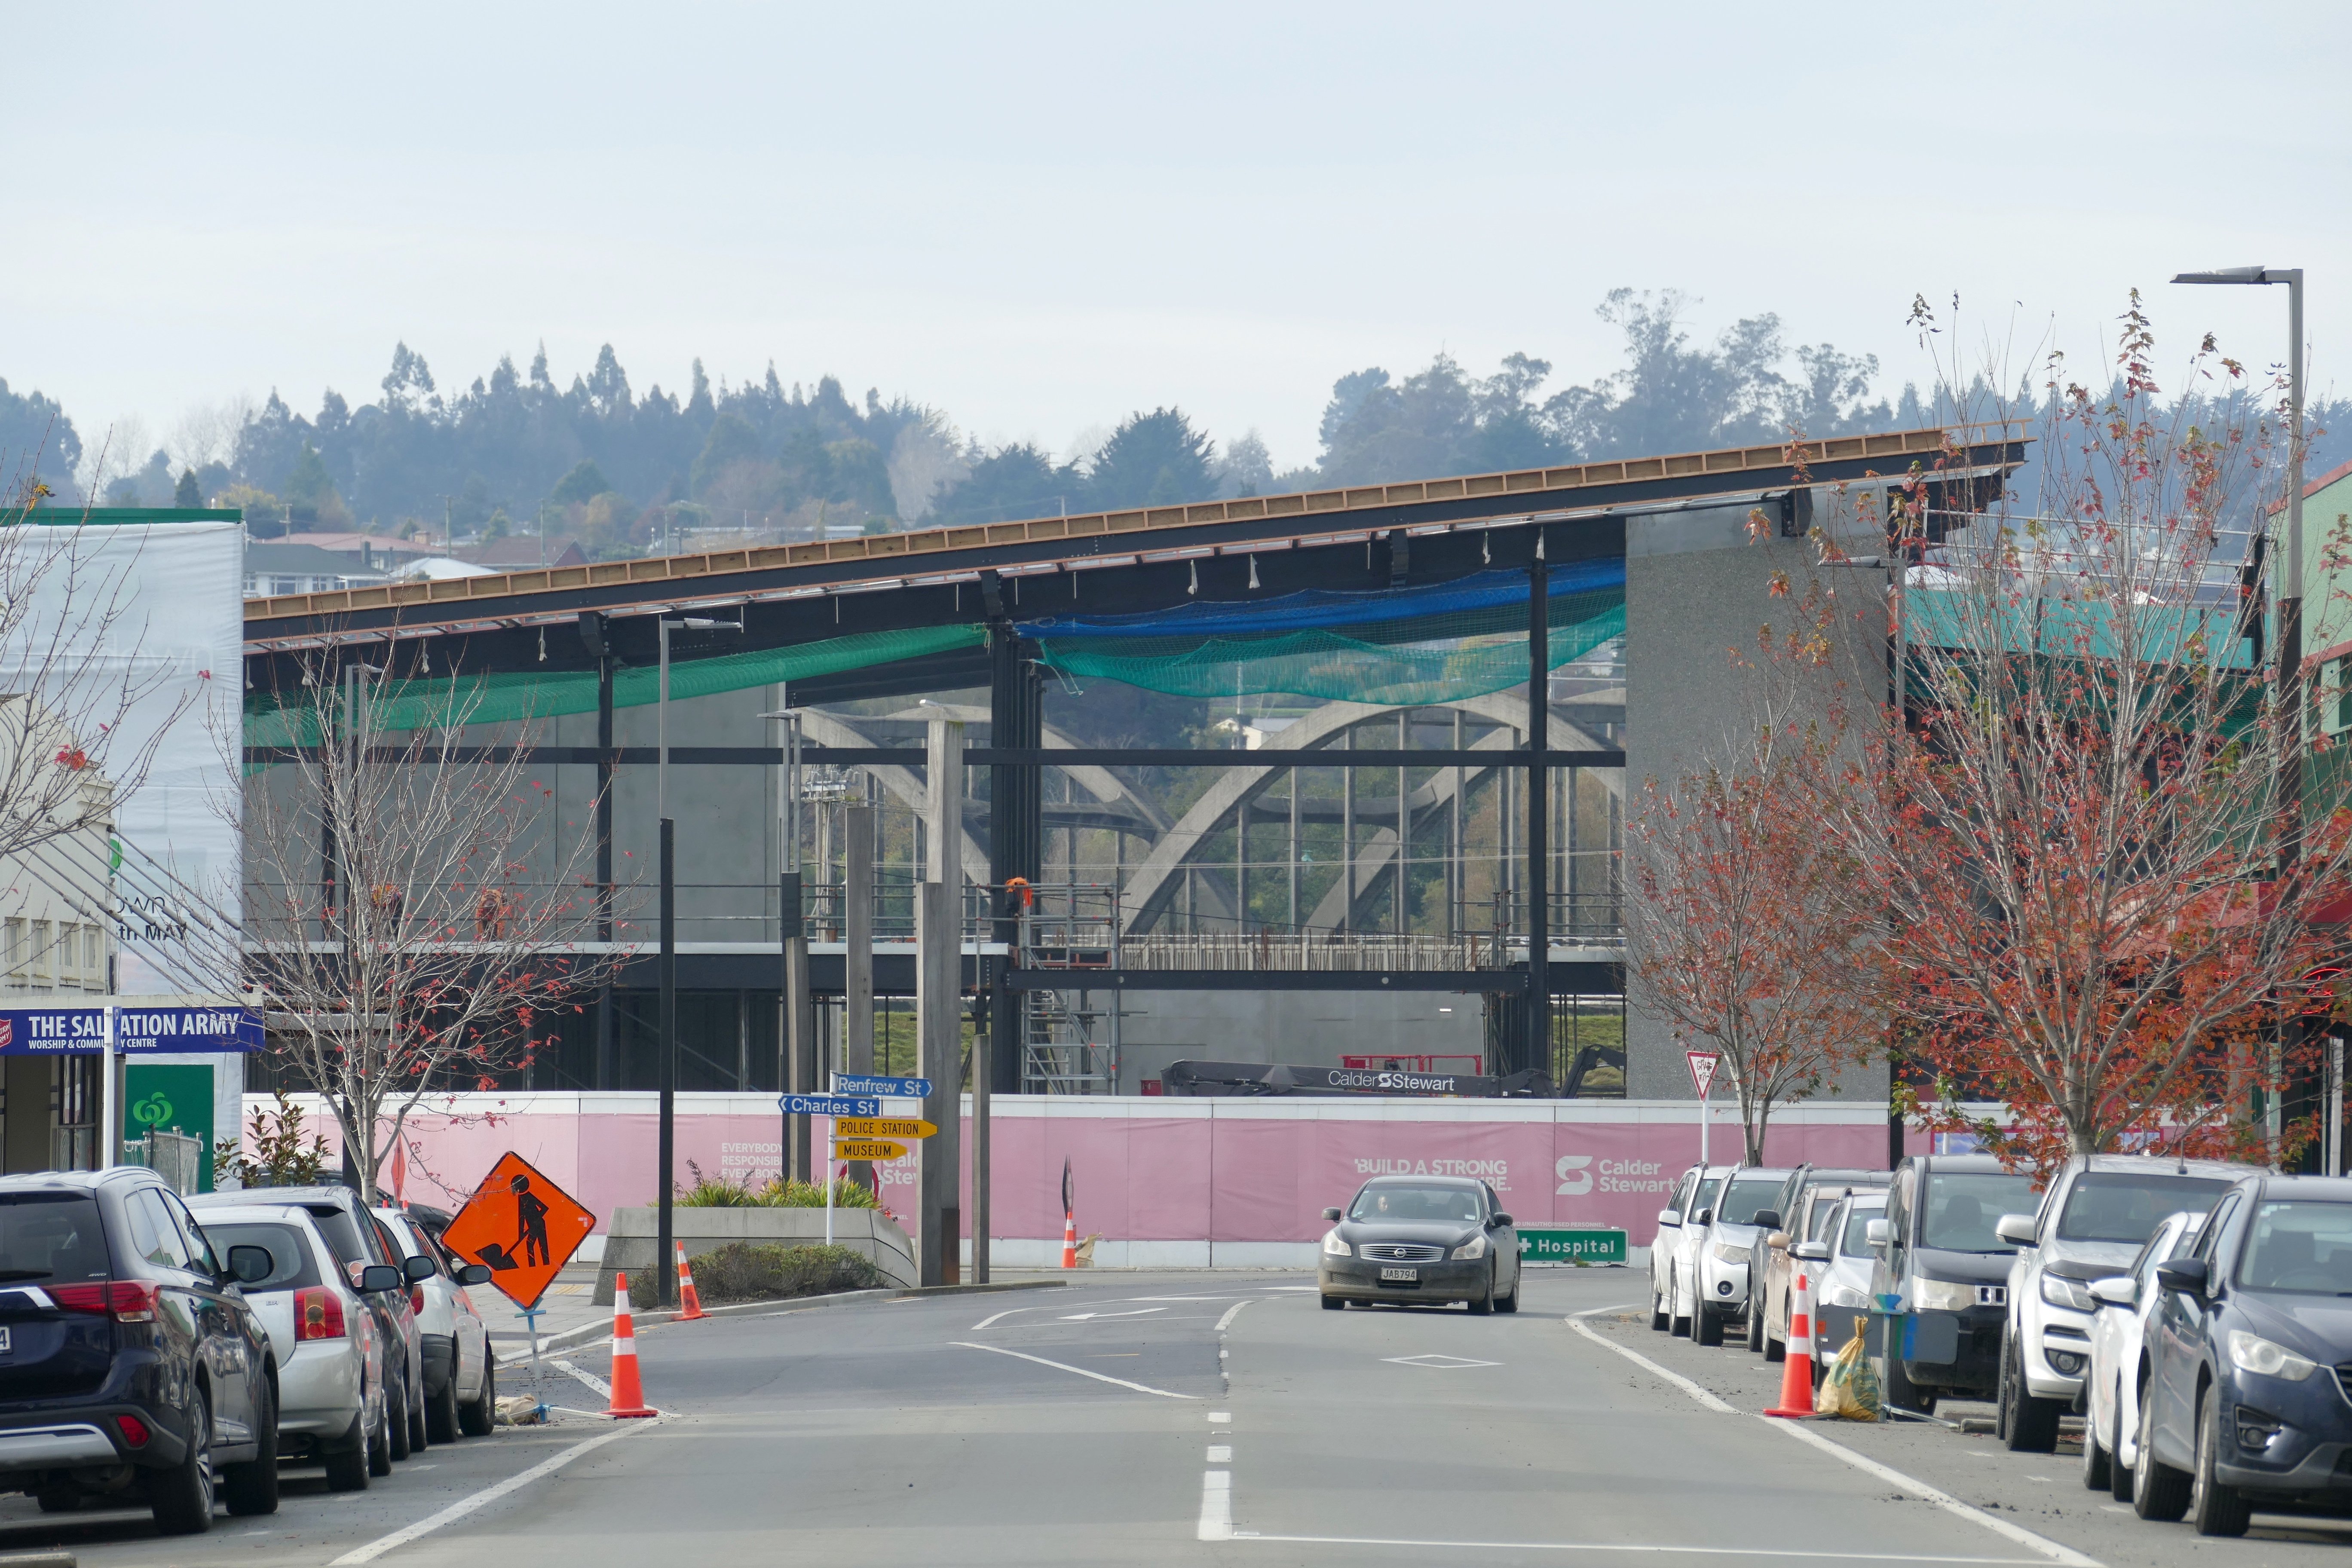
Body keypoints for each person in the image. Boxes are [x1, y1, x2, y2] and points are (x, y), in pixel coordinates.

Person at [513, 1172, 550, 1268]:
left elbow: (545, 1208)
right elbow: (521, 1218)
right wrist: (521, 1234)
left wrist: (537, 1220)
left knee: (543, 1247)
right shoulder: (520, 1199)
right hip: (533, 1227)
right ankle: (532, 1267)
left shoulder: (529, 1196)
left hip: (540, 1225)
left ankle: (545, 1265)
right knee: (530, 1244)